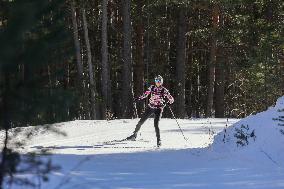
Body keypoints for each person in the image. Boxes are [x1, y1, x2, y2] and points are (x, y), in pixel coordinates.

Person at [126, 75, 174, 147]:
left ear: (161, 82)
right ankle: (134, 135)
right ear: (155, 81)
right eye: (157, 81)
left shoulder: (164, 90)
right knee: (141, 122)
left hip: (158, 109)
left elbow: (171, 99)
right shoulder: (152, 87)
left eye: (159, 81)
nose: (158, 82)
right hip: (150, 107)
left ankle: (159, 140)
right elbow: (145, 94)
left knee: (156, 124)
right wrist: (138, 98)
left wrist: (169, 102)